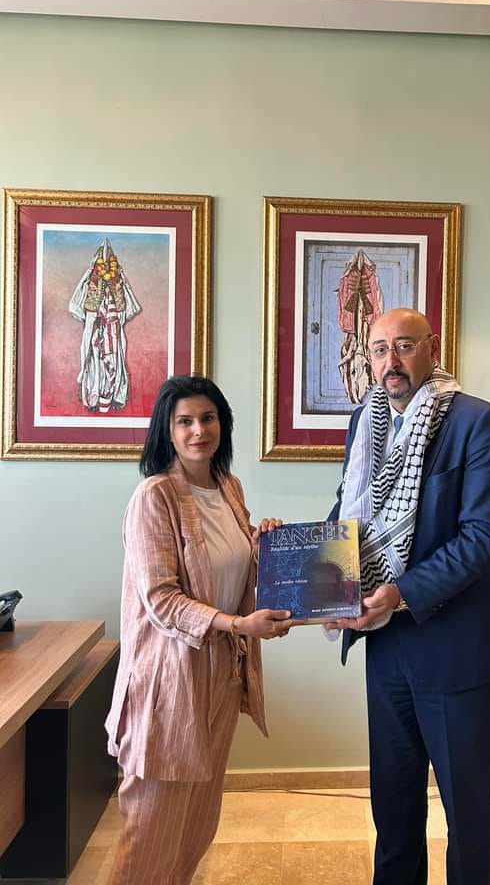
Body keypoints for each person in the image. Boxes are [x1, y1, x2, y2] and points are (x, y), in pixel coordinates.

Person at [326, 308, 490, 885]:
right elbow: (348, 512)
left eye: (404, 346)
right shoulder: (364, 421)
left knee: (468, 820)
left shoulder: (477, 422)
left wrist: (401, 593)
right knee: (393, 811)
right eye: (379, 349)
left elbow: (483, 537)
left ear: (432, 348)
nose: (390, 361)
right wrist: (324, 586)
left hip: (458, 649)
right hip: (385, 645)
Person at [105, 375, 297, 884]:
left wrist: (265, 544)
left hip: (223, 676)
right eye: (184, 421)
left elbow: (231, 567)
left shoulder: (229, 488)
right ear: (166, 431)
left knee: (196, 825)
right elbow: (161, 600)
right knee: (151, 832)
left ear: (222, 424)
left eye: (208, 418)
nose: (198, 431)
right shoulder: (154, 497)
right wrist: (238, 624)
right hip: (168, 683)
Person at [68, 238, 141, 413]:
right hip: (93, 328)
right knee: (92, 360)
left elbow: (127, 308)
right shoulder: (90, 278)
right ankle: (92, 399)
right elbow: (77, 306)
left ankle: (114, 396)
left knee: (115, 361)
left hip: (113, 332)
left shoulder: (118, 279)